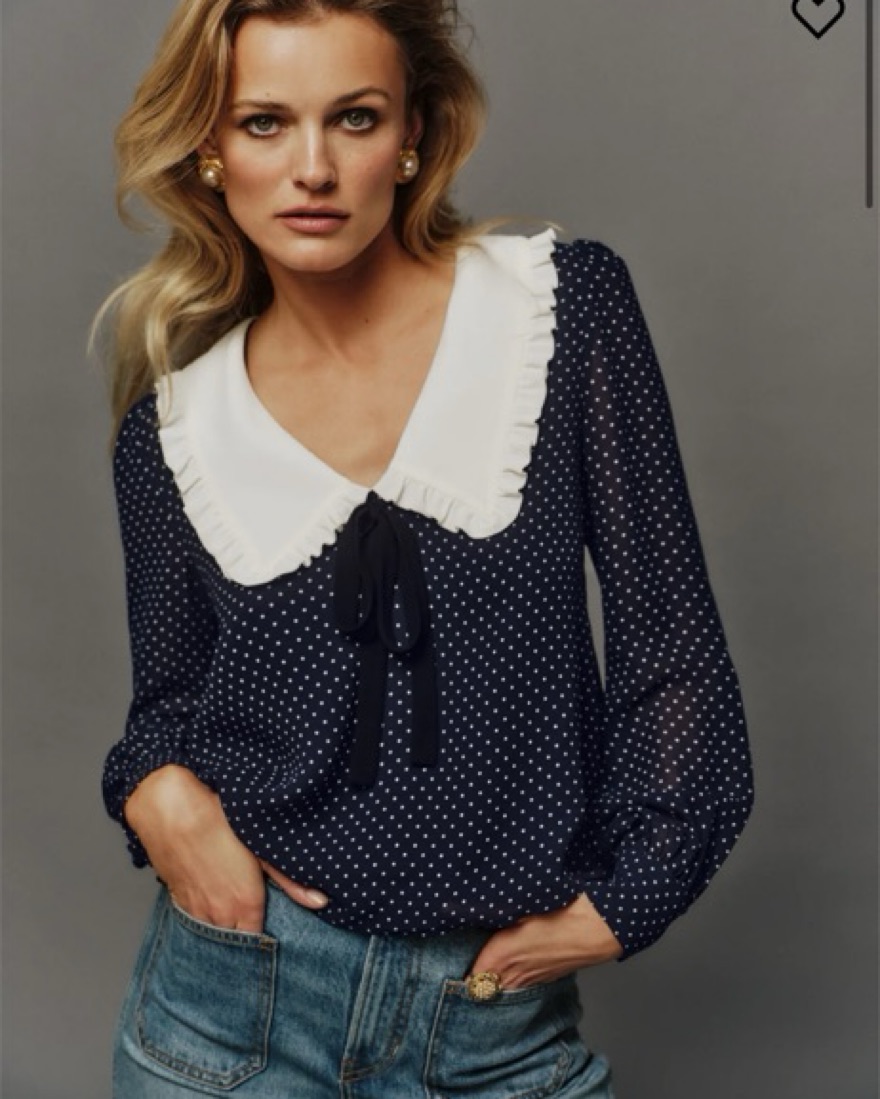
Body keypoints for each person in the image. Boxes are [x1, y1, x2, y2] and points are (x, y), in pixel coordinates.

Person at [96, 0, 754, 1095]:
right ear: (210, 150)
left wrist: (627, 898)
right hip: (230, 1011)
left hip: (492, 1024)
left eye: (353, 118)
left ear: (411, 134)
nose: (313, 167)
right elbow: (168, 706)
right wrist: (154, 786)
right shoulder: (171, 434)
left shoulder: (557, 311)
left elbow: (670, 644)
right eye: (264, 122)